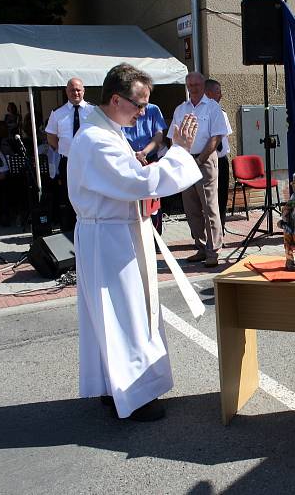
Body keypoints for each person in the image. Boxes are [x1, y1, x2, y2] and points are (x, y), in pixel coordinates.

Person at [66, 62, 202, 422]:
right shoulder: (96, 139)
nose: (143, 113)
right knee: (124, 315)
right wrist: (181, 152)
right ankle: (134, 396)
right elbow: (137, 183)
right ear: (115, 98)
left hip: (116, 232)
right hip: (110, 239)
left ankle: (116, 388)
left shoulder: (109, 131)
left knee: (120, 314)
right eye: (138, 104)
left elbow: (133, 178)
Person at [167, 72, 228, 267]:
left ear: (203, 86)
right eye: (190, 84)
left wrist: (200, 159)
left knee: (209, 207)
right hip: (185, 161)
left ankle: (213, 251)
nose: (193, 88)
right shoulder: (180, 109)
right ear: (187, 86)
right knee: (191, 207)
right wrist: (179, 158)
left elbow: (216, 137)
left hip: (205, 161)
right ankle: (200, 247)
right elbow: (174, 136)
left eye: (196, 84)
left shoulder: (212, 107)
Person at [45, 77, 95, 232]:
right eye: (72, 90)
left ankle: (91, 228)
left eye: (78, 89)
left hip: (90, 162)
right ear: (66, 91)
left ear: (83, 90)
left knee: (91, 195)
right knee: (68, 198)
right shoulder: (58, 113)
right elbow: (51, 136)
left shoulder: (94, 111)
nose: (76, 93)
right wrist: (64, 149)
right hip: (68, 161)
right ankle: (70, 231)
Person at [204, 79, 233, 230]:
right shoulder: (201, 115)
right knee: (207, 198)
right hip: (207, 160)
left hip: (221, 160)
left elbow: (225, 136)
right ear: (208, 94)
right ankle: (205, 231)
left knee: (221, 197)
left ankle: (220, 228)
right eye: (218, 92)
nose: (221, 95)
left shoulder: (222, 113)